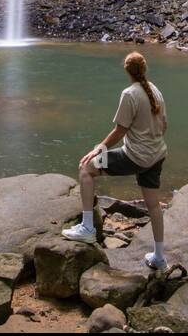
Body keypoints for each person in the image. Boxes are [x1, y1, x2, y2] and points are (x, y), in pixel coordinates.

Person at [61, 51, 169, 270]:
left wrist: (98, 149)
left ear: (127, 71)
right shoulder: (154, 90)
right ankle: (159, 256)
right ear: (144, 69)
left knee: (86, 168)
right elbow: (164, 123)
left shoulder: (130, 94)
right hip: (156, 154)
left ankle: (88, 228)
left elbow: (120, 130)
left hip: (136, 156)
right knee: (153, 205)